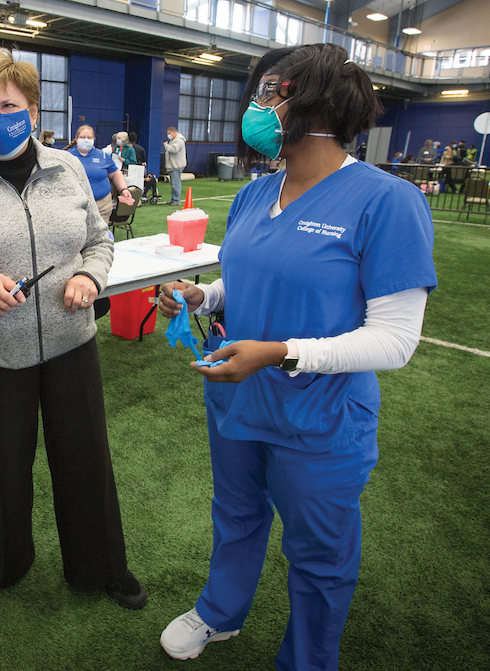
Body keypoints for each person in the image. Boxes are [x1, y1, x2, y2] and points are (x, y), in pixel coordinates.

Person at [156, 44, 436, 668]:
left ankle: (307, 659)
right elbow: (246, 278)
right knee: (235, 512)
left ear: (319, 105)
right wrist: (201, 295)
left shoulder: (387, 201)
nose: (257, 105)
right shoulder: (258, 193)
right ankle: (220, 612)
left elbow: (395, 340)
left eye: (272, 92)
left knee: (320, 555)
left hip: (321, 419)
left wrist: (282, 352)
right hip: (235, 395)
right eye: (259, 91)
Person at [0, 48, 147, 612]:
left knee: (85, 460)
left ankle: (100, 567)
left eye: (8, 104)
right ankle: (8, 559)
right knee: (6, 465)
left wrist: (91, 278)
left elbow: (100, 241)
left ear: (34, 110)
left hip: (71, 345)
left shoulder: (68, 169)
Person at [69, 124, 135, 224]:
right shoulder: (67, 156)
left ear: (93, 139)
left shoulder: (103, 155)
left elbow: (115, 173)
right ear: (77, 139)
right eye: (83, 137)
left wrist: (123, 189)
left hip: (102, 204)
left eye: (89, 137)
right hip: (76, 205)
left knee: (100, 235)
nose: (86, 140)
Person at [164, 126, 187, 205]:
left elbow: (174, 150)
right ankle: (174, 199)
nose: (168, 135)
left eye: (169, 133)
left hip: (176, 165)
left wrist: (166, 146)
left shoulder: (178, 140)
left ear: (174, 132)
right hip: (173, 165)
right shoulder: (174, 140)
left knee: (175, 184)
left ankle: (176, 200)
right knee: (174, 183)